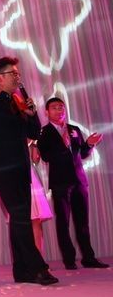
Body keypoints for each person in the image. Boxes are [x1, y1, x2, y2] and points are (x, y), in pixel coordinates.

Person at [0, 56, 57, 285]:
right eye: (13, 74)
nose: (18, 78)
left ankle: (22, 271)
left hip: (21, 169)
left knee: (20, 219)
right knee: (20, 217)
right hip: (2, 169)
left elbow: (34, 133)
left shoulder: (17, 103)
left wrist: (32, 114)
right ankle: (38, 268)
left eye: (18, 74)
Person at [36, 97, 107, 270]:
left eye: (61, 107)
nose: (59, 110)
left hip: (79, 181)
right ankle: (69, 260)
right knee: (63, 222)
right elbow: (45, 157)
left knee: (82, 222)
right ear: (47, 112)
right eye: (54, 107)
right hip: (60, 182)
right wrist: (63, 145)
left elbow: (82, 154)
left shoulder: (74, 129)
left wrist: (89, 145)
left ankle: (88, 258)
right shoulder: (44, 132)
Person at [28, 143, 53, 254]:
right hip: (18, 176)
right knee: (22, 222)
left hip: (31, 178)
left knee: (36, 220)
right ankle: (26, 259)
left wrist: (34, 145)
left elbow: (35, 160)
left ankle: (39, 257)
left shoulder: (30, 138)